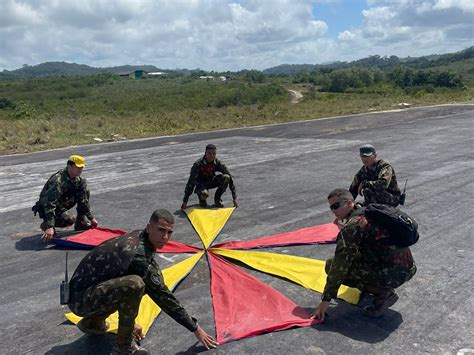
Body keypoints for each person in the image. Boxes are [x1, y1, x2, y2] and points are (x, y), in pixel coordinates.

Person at [67, 209, 218, 354]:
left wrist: (130, 325)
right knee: (135, 284)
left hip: (84, 293)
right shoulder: (138, 254)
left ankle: (93, 322)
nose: (165, 237)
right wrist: (195, 328)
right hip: (80, 300)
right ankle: (123, 347)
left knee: (136, 284)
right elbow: (164, 297)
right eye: (161, 230)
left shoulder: (140, 237)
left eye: (169, 232)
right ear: (149, 228)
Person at [312, 189, 416, 321]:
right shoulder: (367, 211)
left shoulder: (353, 225)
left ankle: (383, 293)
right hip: (407, 267)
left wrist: (325, 300)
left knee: (331, 266)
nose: (333, 210)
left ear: (349, 203)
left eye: (336, 206)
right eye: (331, 207)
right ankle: (376, 286)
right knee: (355, 258)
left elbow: (340, 263)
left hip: (393, 273)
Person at [32, 155, 98, 241]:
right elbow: (49, 204)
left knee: (85, 191)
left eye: (81, 167)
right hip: (47, 207)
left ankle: (80, 223)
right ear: (69, 166)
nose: (80, 170)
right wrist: (50, 226)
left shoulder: (78, 180)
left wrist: (91, 218)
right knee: (69, 219)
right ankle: (46, 225)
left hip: (61, 204)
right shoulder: (58, 181)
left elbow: (83, 201)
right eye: (77, 167)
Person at [181, 144, 238, 210]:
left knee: (226, 177)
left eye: (214, 154)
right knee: (204, 197)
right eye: (209, 153)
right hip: (201, 184)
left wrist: (234, 198)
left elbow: (230, 178)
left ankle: (217, 199)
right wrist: (185, 201)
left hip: (211, 181)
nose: (212, 156)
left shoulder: (217, 162)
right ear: (205, 153)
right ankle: (202, 200)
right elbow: (191, 182)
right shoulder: (198, 164)